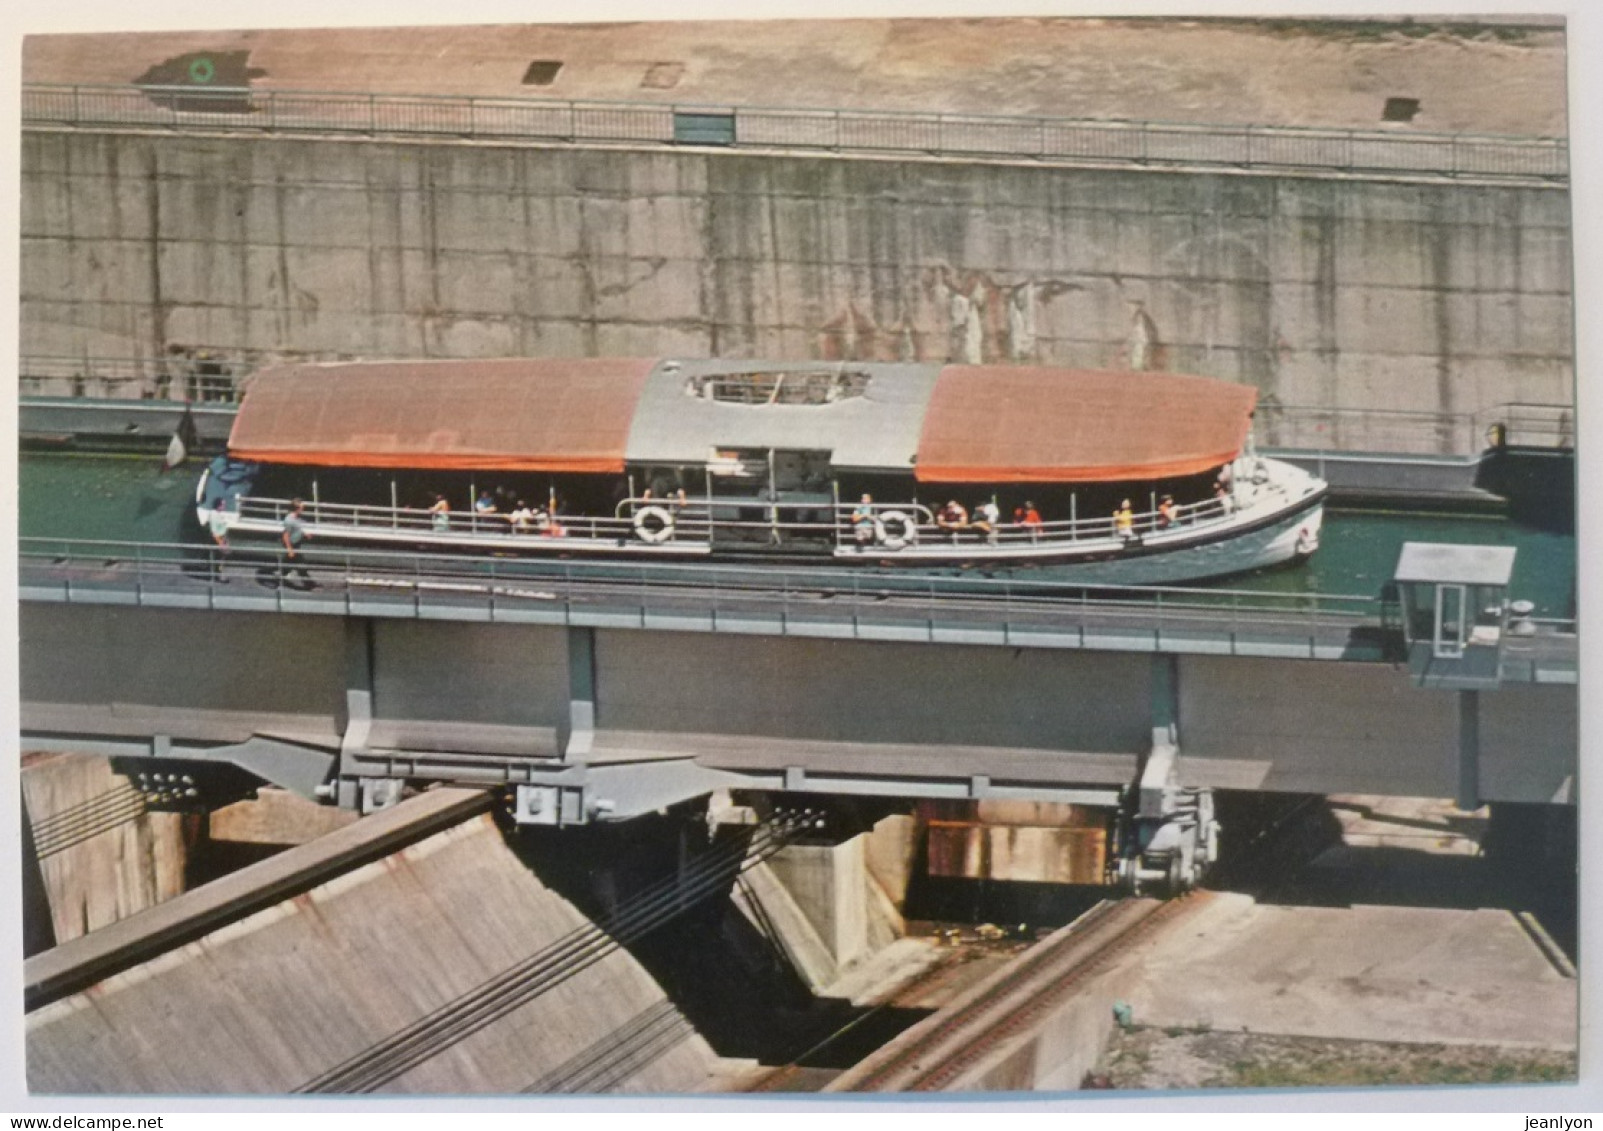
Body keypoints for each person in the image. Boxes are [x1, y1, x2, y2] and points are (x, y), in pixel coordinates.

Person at [281, 498, 311, 587]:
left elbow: (298, 529)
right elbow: (285, 535)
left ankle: (282, 577)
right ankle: (308, 584)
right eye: (302, 508)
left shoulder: (296, 518)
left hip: (296, 544)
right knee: (300, 564)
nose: (303, 510)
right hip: (292, 545)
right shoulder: (289, 520)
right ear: (297, 509)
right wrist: (290, 549)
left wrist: (304, 534)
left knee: (288, 563)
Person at [207, 498, 231, 583]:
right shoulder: (214, 515)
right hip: (219, 539)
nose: (224, 506)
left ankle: (219, 574)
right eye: (222, 505)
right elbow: (214, 532)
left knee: (222, 558)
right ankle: (219, 576)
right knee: (219, 558)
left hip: (223, 537)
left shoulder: (219, 514)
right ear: (218, 505)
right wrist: (220, 543)